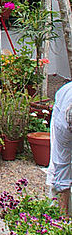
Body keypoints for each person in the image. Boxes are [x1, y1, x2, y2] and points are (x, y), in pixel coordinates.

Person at [48, 80, 72, 217]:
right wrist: (64, 219)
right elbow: (62, 164)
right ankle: (59, 212)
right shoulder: (63, 126)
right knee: (59, 165)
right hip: (63, 100)